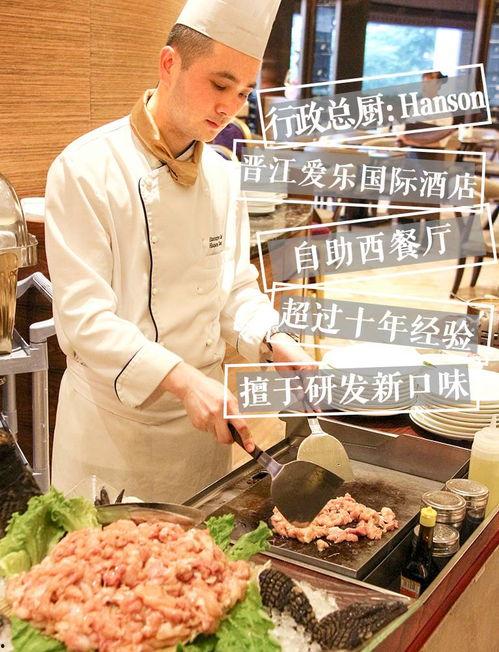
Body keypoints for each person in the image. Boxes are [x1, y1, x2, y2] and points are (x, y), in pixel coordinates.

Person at [45, 0, 315, 503]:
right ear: (169, 63)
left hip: (202, 436)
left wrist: (274, 339)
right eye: (219, 85)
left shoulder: (225, 176)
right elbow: (85, 321)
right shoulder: (85, 170)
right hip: (112, 435)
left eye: (243, 93)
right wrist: (183, 381)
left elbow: (233, 290)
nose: (229, 107)